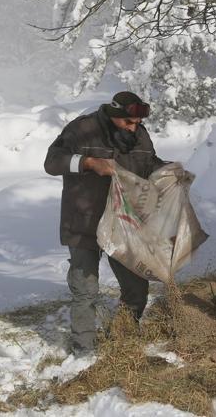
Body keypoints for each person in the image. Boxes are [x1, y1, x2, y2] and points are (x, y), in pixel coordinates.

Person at [44, 91, 167, 354]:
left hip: (123, 224)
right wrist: (88, 163)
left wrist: (167, 171)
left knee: (136, 286)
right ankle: (84, 351)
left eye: (137, 123)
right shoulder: (82, 129)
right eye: (128, 122)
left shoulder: (140, 136)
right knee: (85, 289)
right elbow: (52, 162)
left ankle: (124, 336)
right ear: (114, 115)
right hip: (84, 222)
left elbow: (149, 164)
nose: (134, 128)